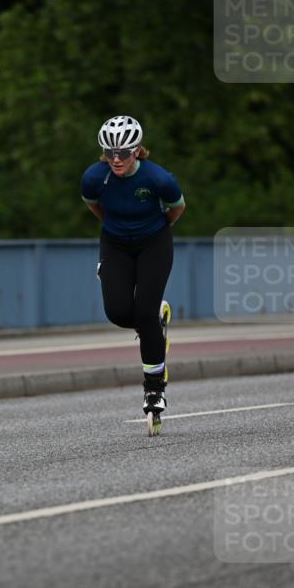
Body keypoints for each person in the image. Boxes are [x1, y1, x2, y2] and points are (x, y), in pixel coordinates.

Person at [80, 115, 186, 433]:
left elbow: (177, 208)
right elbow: (95, 206)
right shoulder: (93, 178)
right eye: (109, 151)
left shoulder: (159, 179)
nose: (116, 159)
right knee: (118, 311)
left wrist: (151, 230)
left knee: (144, 309)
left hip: (154, 241)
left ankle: (154, 390)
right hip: (115, 243)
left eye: (123, 152)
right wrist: (119, 226)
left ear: (137, 150)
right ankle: (157, 324)